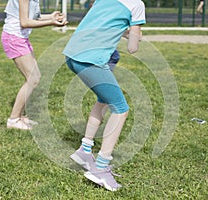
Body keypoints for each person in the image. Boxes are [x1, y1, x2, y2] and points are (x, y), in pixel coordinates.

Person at [63, 0, 145, 191]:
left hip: (72, 55)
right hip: (91, 61)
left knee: (104, 100)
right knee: (121, 109)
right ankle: (100, 168)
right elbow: (133, 48)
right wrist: (136, 34)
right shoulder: (137, 4)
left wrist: (123, 30)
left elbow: (98, 22)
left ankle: (85, 150)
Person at [1, 0, 67, 130]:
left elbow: (33, 17)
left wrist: (50, 16)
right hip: (14, 38)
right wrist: (51, 23)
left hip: (21, 38)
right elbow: (25, 22)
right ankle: (13, 120)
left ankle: (20, 117)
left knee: (34, 77)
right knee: (33, 78)